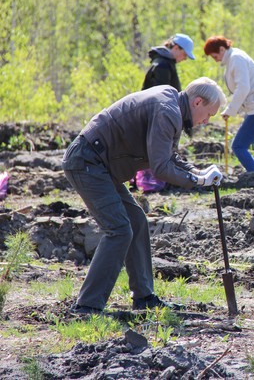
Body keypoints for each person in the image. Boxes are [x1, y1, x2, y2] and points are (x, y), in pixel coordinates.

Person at [63, 77, 227, 314]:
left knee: (136, 221)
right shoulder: (168, 110)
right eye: (209, 114)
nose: (206, 121)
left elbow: (169, 156)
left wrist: (198, 172)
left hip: (99, 163)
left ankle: (144, 297)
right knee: (119, 229)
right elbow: (160, 167)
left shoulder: (173, 106)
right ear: (198, 102)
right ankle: (87, 305)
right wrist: (197, 181)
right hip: (88, 161)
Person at [136, 33, 196, 191]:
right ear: (176, 48)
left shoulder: (165, 63)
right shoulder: (162, 66)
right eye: (184, 54)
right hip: (155, 116)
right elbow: (161, 97)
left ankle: (155, 181)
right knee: (155, 149)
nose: (184, 58)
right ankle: (151, 183)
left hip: (158, 115)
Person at [203, 36, 254, 173]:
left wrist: (230, 110)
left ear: (222, 49)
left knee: (238, 146)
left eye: (214, 56)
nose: (215, 59)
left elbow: (243, 87)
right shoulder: (234, 58)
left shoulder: (236, 58)